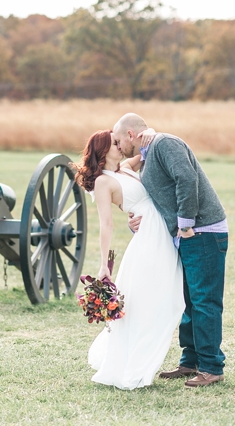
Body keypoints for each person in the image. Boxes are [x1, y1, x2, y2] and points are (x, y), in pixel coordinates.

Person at [113, 113, 228, 388]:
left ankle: (212, 367)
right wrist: (135, 220)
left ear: (131, 134)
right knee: (189, 300)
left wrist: (186, 223)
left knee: (204, 301)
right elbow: (158, 198)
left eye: (118, 141)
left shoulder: (164, 144)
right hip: (186, 235)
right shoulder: (148, 154)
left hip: (202, 231)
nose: (118, 147)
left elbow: (187, 179)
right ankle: (190, 361)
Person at [75, 129, 184, 389]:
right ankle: (134, 364)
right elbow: (106, 224)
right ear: (103, 151)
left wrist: (151, 132)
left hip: (158, 230)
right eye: (114, 143)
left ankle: (145, 357)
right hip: (149, 239)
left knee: (168, 298)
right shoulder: (103, 182)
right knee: (150, 302)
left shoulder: (125, 167)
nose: (120, 146)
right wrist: (104, 264)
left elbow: (147, 149)